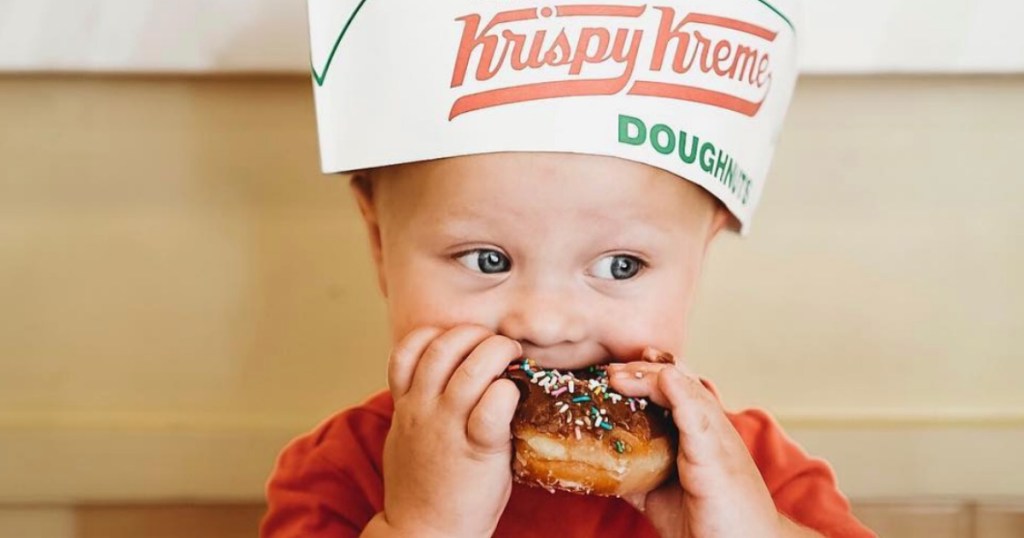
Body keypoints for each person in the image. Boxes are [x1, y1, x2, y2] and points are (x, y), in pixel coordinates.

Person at [263, 1, 875, 536]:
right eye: (488, 259)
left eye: (620, 264)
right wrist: (423, 525)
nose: (547, 324)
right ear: (379, 244)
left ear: (702, 253)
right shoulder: (343, 473)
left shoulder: (752, 472)